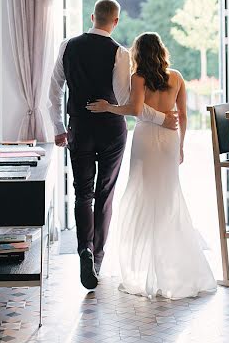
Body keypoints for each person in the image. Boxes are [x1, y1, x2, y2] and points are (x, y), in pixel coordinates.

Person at [48, 0, 178, 290]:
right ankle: (96, 258)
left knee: (83, 193)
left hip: (78, 127)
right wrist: (161, 119)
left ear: (93, 17)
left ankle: (84, 248)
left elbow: (54, 90)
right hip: (110, 130)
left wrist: (59, 128)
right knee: (104, 193)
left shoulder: (67, 46)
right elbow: (126, 103)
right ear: (115, 21)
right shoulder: (119, 53)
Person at [86, 32, 216, 299]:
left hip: (145, 140)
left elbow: (134, 110)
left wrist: (108, 107)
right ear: (161, 50)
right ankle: (168, 269)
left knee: (141, 196)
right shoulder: (176, 77)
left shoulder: (139, 77)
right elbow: (182, 115)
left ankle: (143, 268)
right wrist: (180, 145)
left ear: (139, 53)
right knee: (168, 199)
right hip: (169, 140)